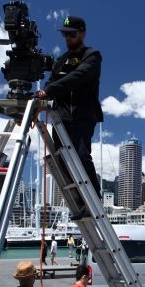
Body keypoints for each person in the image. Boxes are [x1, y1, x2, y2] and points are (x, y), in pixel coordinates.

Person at [37, 15, 103, 201]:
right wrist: (45, 92)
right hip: (61, 117)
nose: (68, 38)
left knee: (81, 156)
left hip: (83, 115)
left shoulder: (92, 56)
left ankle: (93, 199)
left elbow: (77, 77)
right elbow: (51, 82)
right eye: (65, 35)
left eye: (72, 34)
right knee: (61, 159)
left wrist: (49, 89)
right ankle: (77, 200)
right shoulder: (61, 60)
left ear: (83, 34)